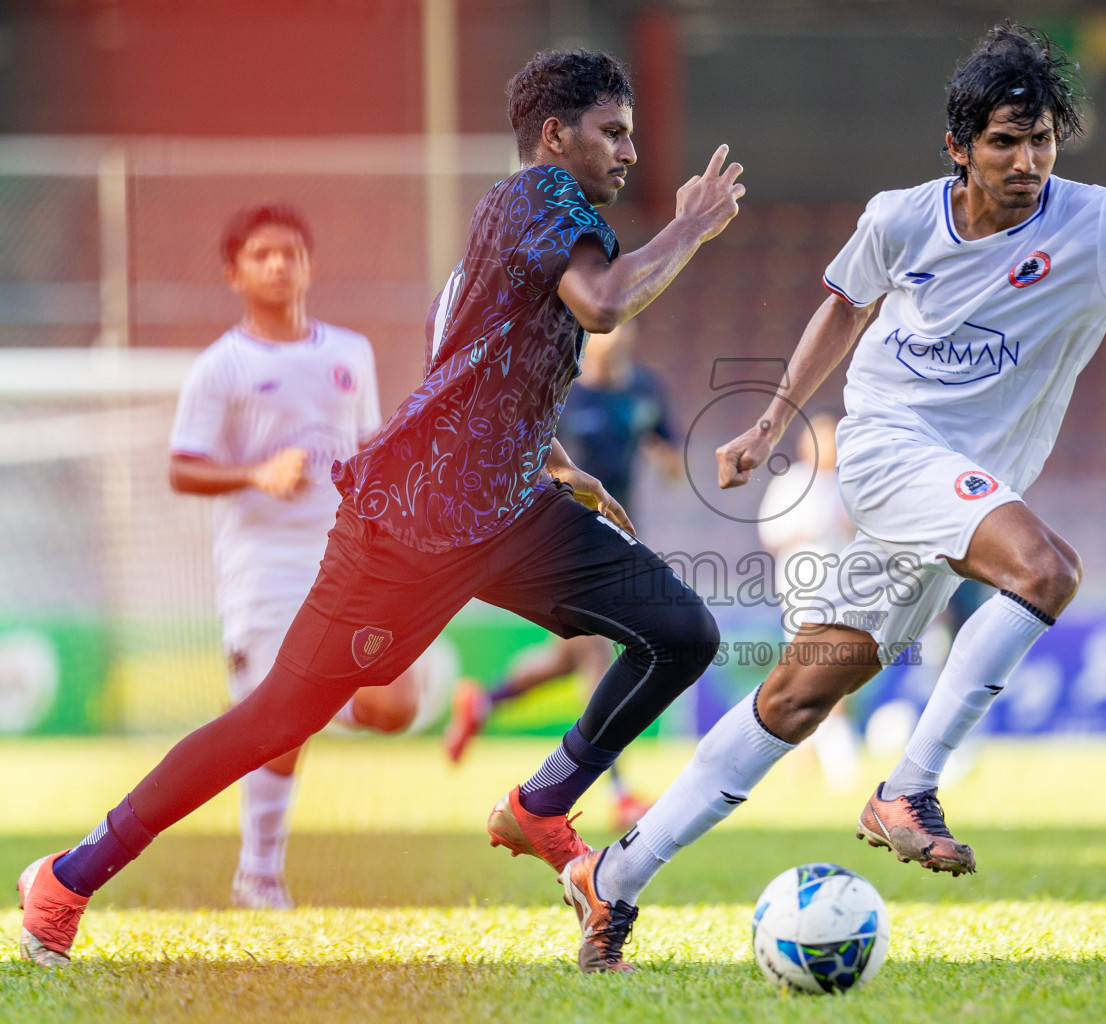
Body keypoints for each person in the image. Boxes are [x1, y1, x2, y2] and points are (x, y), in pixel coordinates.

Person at [554, 22, 1106, 972]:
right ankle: (911, 791)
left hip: (961, 491)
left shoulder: (1099, 226)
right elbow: (844, 307)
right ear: (958, 149)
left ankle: (615, 879)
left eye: (1043, 138)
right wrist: (773, 423)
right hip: (891, 451)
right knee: (1046, 571)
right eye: (1005, 142)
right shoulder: (901, 218)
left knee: (801, 695)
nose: (1027, 160)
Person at [16, 47, 744, 968]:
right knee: (275, 719)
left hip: (511, 509)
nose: (630, 152)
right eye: (614, 132)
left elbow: (471, 367)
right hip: (411, 525)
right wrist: (691, 229)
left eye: (632, 134)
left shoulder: (517, 227)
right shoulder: (539, 200)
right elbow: (602, 307)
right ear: (555, 136)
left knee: (681, 631)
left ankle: (540, 805)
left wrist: (557, 461)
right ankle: (69, 877)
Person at [169, 203, 431, 909]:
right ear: (235, 272)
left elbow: (371, 448)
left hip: (349, 558)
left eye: (291, 252)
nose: (279, 264)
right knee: (276, 722)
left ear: (309, 264)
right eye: (262, 255)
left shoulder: (350, 352)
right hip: (265, 567)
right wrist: (255, 473)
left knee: (395, 703)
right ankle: (258, 875)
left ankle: (300, 704)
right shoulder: (220, 367)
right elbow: (183, 468)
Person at [444, 319, 682, 830]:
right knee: (597, 652)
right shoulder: (566, 391)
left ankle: (483, 703)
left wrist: (665, 460)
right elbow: (535, 451)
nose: (617, 334)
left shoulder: (643, 388)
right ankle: (619, 791)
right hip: (568, 534)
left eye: (625, 325)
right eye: (607, 327)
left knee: (568, 658)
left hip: (621, 532)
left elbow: (667, 450)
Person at [756, 412, 859, 791]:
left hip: (845, 591)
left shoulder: (851, 484)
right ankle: (804, 758)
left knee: (837, 668)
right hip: (801, 590)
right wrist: (806, 528)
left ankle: (837, 758)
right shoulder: (791, 483)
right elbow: (771, 532)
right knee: (804, 670)